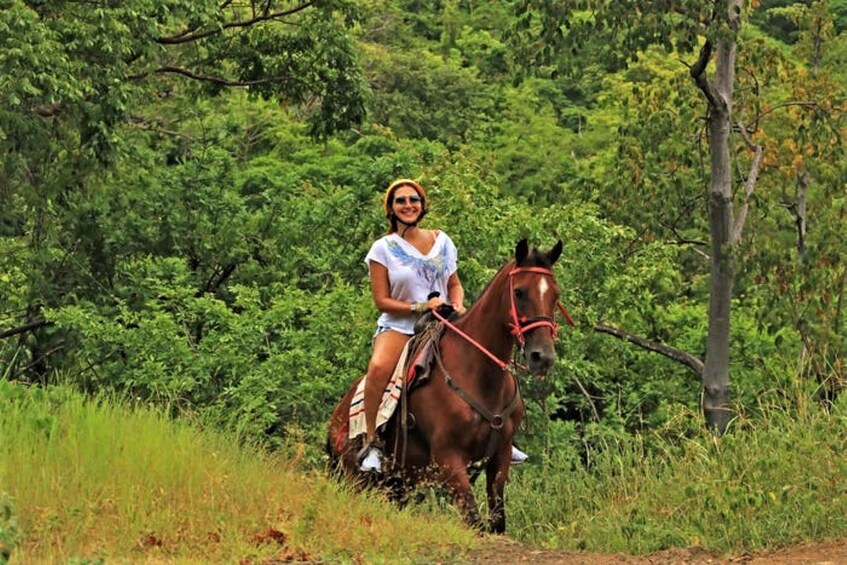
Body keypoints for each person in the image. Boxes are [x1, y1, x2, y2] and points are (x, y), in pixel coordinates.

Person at [357, 178, 528, 473]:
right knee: (379, 368)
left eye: (414, 199)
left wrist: (458, 303)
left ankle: (502, 434)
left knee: (489, 359)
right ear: (391, 208)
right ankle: (372, 442)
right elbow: (381, 301)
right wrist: (421, 306)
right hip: (401, 325)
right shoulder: (382, 249)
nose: (408, 205)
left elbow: (454, 284)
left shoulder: (441, 240)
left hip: (446, 319)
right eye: (401, 200)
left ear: (423, 205)